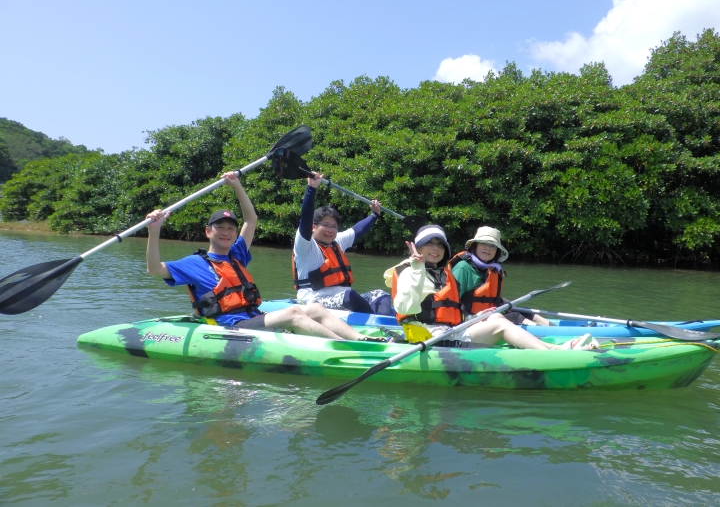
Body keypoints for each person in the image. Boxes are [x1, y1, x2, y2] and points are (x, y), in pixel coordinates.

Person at [145, 171, 381, 341]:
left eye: (230, 228)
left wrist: (236, 185)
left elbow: (251, 219)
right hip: (232, 326)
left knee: (317, 310)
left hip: (254, 317)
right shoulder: (194, 263)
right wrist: (154, 231)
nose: (226, 233)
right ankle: (344, 346)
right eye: (220, 228)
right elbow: (154, 269)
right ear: (208, 232)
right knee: (294, 313)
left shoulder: (237, 254)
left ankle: (361, 339)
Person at [383, 225, 596, 350]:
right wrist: (417, 268)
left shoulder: (440, 272)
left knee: (495, 317)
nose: (435, 249)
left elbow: (450, 311)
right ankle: (555, 353)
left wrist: (474, 317)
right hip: (431, 340)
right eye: (429, 244)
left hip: (448, 331)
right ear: (418, 248)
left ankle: (555, 347)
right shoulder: (409, 271)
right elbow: (405, 305)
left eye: (440, 245)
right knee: (500, 326)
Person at [292, 171, 393, 315]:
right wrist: (311, 188)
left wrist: (374, 215)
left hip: (344, 297)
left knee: (381, 295)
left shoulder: (336, 241)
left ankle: (384, 322)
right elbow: (305, 218)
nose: (330, 230)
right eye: (325, 225)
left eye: (334, 226)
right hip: (316, 301)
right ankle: (373, 323)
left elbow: (357, 230)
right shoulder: (305, 246)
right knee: (350, 296)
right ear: (313, 226)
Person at [450, 226, 551, 326]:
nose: (487, 248)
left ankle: (555, 330)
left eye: (492, 246)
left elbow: (488, 298)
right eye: (483, 243)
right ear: (475, 245)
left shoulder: (492, 269)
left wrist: (504, 301)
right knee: (515, 316)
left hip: (489, 315)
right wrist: (471, 318)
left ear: (496, 251)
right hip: (469, 320)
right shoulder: (463, 268)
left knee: (526, 312)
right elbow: (451, 303)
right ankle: (545, 336)